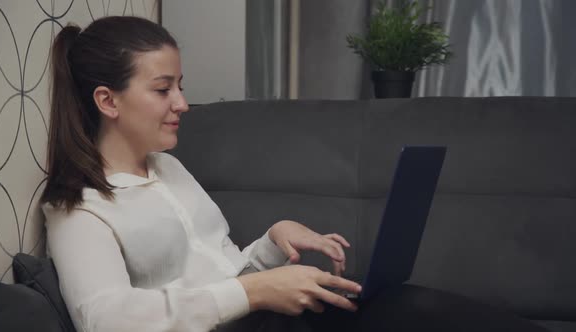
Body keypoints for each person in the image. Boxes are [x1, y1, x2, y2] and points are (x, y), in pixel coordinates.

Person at [40, 16, 547, 332]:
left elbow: (218, 273)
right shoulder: (77, 207)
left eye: (181, 86)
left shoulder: (169, 169)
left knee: (404, 304)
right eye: (163, 89)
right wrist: (255, 292)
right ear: (107, 100)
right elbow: (103, 320)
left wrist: (268, 243)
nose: (183, 103)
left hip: (259, 319)